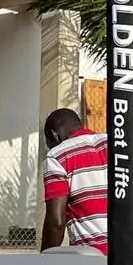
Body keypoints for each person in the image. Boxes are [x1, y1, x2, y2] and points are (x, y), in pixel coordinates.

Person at [40, 107, 109, 253]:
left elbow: (56, 223)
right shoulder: (114, 144)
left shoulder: (57, 156)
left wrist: (44, 259)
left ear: (54, 135)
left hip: (91, 257)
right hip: (130, 253)